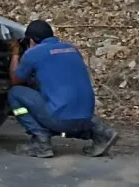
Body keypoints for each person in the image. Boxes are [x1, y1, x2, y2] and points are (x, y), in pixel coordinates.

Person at [8, 20, 119, 158]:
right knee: (67, 101)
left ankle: (40, 141)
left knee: (15, 93)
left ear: (31, 40)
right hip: (87, 117)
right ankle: (101, 133)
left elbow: (15, 80)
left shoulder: (33, 53)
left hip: (61, 121)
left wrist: (15, 53)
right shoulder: (71, 48)